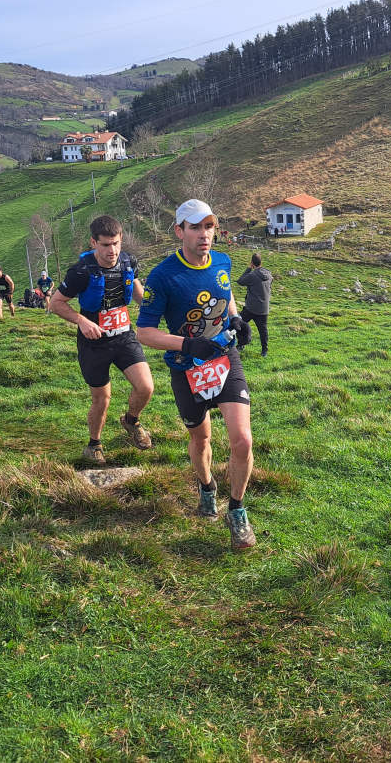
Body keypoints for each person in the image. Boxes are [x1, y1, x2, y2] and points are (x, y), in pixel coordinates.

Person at [137, 199, 258, 551]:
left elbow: (226, 293)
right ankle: (207, 487)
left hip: (224, 358)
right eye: (195, 227)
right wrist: (189, 345)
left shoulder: (222, 261)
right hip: (186, 367)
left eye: (209, 226)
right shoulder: (163, 276)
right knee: (201, 438)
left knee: (242, 440)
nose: (204, 234)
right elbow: (144, 332)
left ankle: (237, 511)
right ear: (179, 231)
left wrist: (236, 318)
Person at [49, 215, 154, 465]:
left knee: (146, 387)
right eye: (106, 245)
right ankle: (94, 444)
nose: (112, 250)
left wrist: (157, 308)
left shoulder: (128, 262)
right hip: (94, 343)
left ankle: (131, 421)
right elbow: (56, 303)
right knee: (102, 399)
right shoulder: (81, 271)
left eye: (116, 243)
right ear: (93, 243)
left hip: (124, 336)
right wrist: (81, 321)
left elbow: (138, 292)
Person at [237, 252, 273, 357]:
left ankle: (241, 344)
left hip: (251, 308)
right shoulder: (269, 274)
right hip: (264, 308)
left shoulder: (252, 275)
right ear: (261, 262)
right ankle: (264, 351)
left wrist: (248, 269)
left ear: (252, 263)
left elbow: (240, 281)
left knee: (238, 323)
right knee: (263, 330)